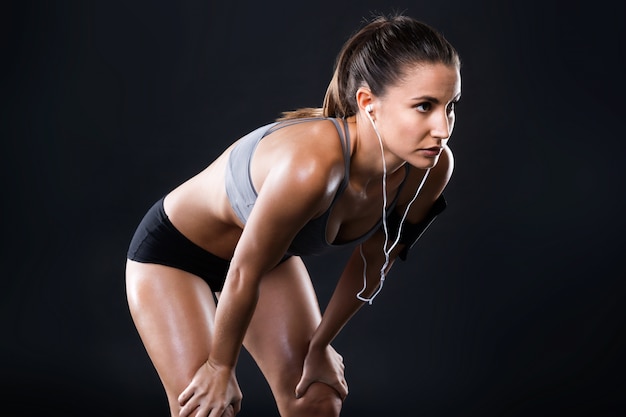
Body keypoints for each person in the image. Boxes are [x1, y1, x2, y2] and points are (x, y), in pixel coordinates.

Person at [125, 12, 461, 417]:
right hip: (175, 259)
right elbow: (242, 272)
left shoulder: (431, 169)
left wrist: (320, 344)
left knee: (318, 399)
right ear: (368, 104)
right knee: (208, 410)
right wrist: (220, 365)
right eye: (424, 106)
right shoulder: (313, 166)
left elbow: (376, 259)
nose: (442, 128)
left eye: (450, 106)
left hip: (265, 261)